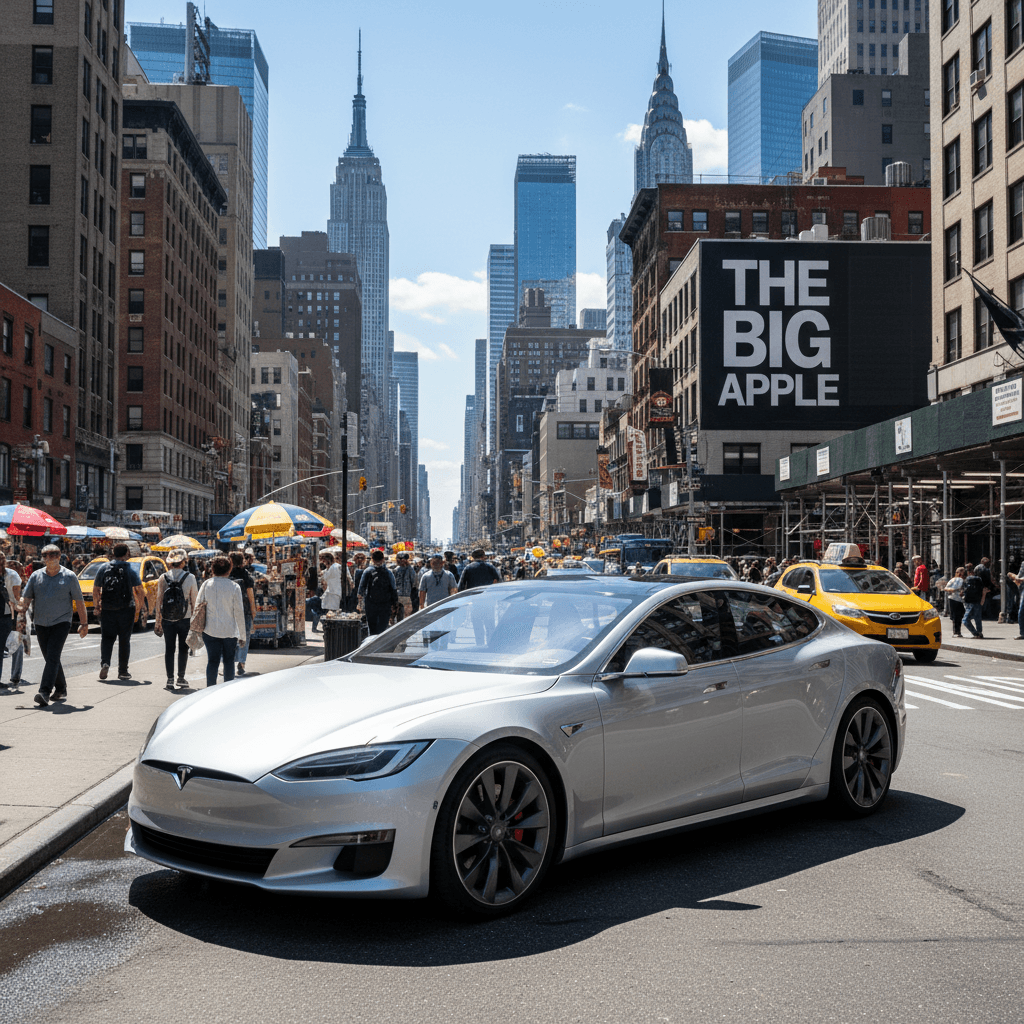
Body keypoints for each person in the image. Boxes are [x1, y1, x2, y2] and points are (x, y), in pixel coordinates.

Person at [21, 545, 89, 707]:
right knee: (51, 658)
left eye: (53, 554)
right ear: (42, 557)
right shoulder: (36, 576)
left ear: (60, 556)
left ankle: (44, 691)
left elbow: (79, 602)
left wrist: (84, 623)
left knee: (52, 656)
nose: (49, 557)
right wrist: (18, 611)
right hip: (41, 623)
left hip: (62, 622)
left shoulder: (69, 576)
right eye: (45, 555)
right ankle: (61, 688)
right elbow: (26, 599)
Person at [92, 543, 145, 681]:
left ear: (113, 553)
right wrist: (142, 608)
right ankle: (123, 671)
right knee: (124, 640)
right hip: (126, 609)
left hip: (107, 609)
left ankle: (105, 663)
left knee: (107, 639)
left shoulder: (103, 568)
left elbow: (96, 589)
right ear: (126, 553)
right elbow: (139, 590)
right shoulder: (130, 569)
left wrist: (97, 606)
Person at [195, 554, 246, 687]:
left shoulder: (206, 584)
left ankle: (210, 690)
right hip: (229, 631)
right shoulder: (235, 587)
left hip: (209, 630)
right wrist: (242, 635)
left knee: (212, 661)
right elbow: (239, 613)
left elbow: (197, 607)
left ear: (213, 569)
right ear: (229, 570)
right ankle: (227, 690)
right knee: (229, 661)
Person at [153, 548, 198, 689]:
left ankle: (170, 679)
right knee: (183, 649)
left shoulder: (163, 577)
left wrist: (157, 622)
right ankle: (181, 677)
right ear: (183, 562)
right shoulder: (190, 578)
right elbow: (194, 600)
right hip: (185, 618)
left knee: (169, 649)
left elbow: (159, 601)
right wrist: (196, 622)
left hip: (167, 619)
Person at [357, 549, 399, 635]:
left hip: (371, 604)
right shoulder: (389, 573)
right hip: (385, 605)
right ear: (383, 559)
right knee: (383, 629)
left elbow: (361, 589)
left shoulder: (367, 571)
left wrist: (360, 604)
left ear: (372, 559)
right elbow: (394, 589)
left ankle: (372, 646)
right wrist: (395, 604)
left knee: (372, 629)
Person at [229, 551, 257, 676]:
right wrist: (253, 612)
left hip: (229, 611)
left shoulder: (227, 575)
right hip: (244, 611)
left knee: (230, 637)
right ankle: (241, 663)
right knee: (244, 637)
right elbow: (250, 596)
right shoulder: (246, 576)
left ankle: (229, 662)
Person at [0, 551, 23, 690]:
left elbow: (15, 598)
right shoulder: (12, 575)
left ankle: (15, 675)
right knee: (14, 645)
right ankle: (15, 675)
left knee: (14, 645)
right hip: (6, 615)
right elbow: (16, 598)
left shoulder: (12, 575)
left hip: (6, 614)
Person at [961, 563, 985, 639]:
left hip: (969, 602)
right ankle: (979, 632)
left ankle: (975, 633)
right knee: (977, 618)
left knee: (965, 620)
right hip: (977, 601)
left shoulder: (967, 580)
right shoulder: (979, 579)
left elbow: (964, 591)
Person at [392, 551, 417, 621]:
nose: (403, 561)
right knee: (400, 616)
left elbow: (414, 583)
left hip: (406, 596)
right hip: (400, 596)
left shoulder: (410, 569)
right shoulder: (396, 569)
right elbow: (414, 583)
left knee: (405, 616)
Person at [944, 567, 966, 638]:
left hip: (958, 600)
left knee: (958, 615)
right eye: (960, 572)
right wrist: (953, 589)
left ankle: (957, 631)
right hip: (954, 599)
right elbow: (946, 588)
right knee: (956, 616)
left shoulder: (961, 580)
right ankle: (956, 631)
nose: (961, 574)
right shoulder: (953, 580)